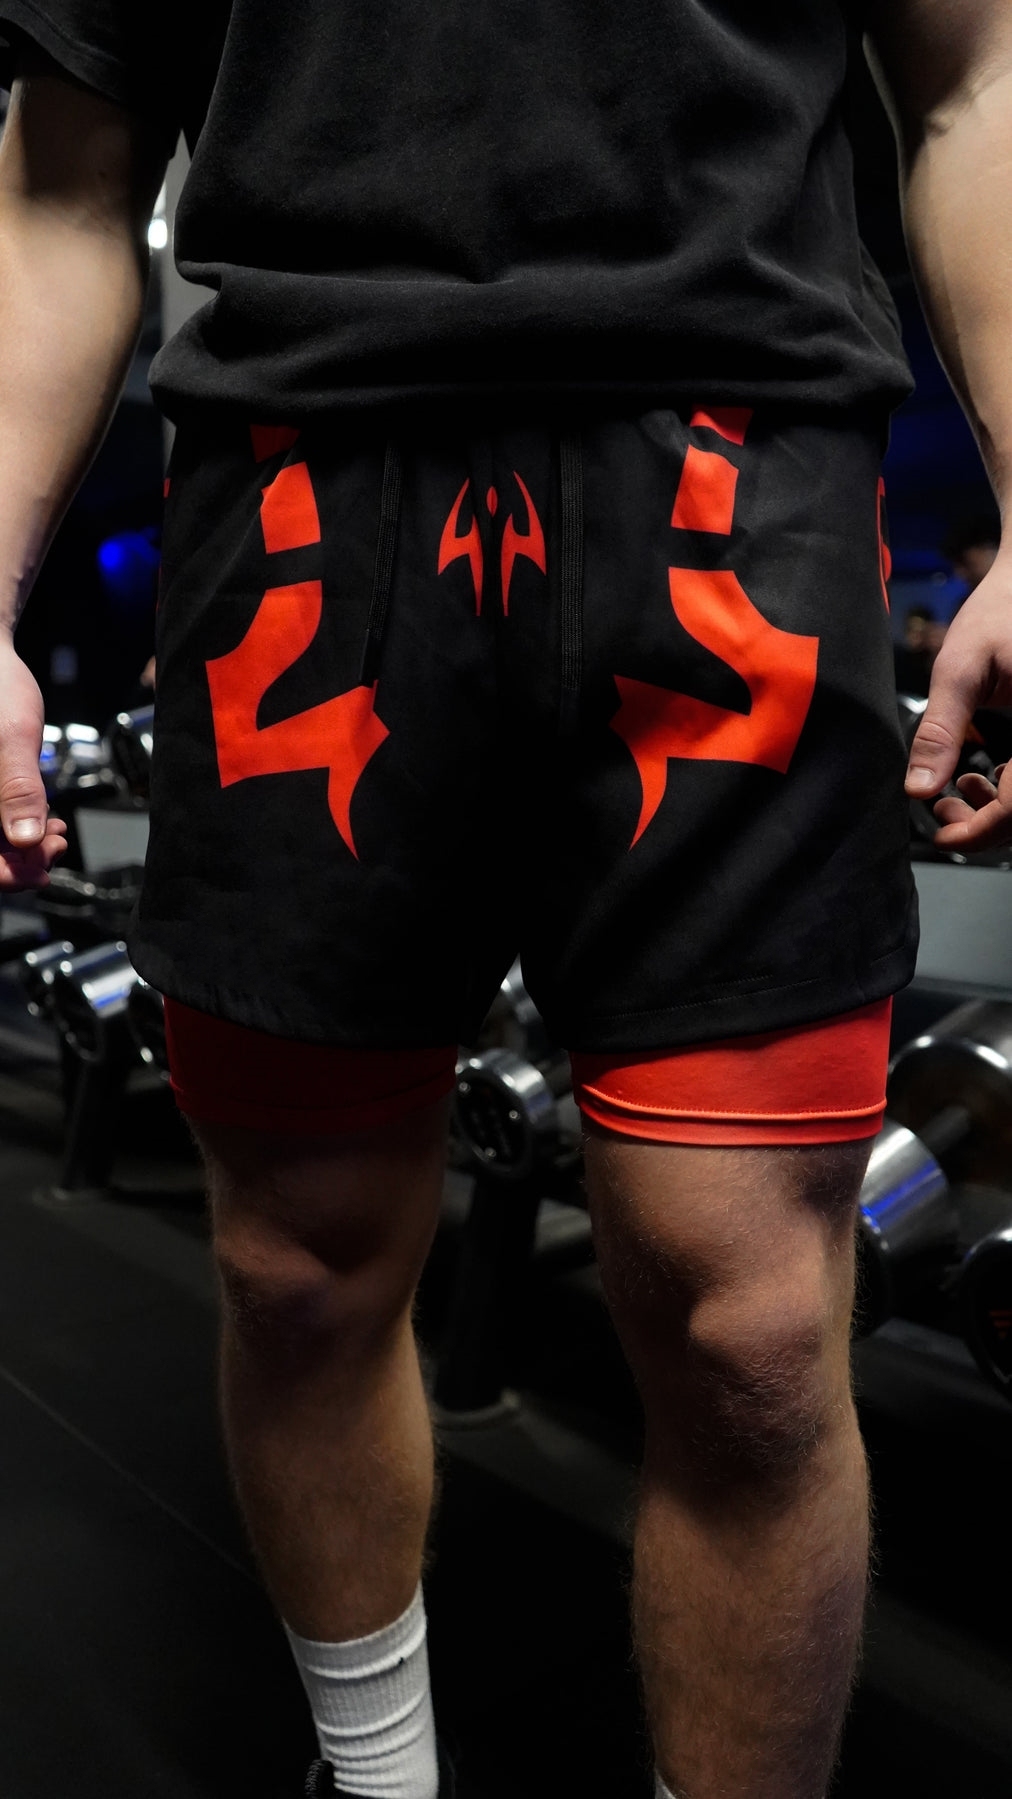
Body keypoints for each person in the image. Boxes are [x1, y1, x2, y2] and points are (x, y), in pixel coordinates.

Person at [0, 5, 1011, 1798]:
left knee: (759, 1331)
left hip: (731, 471)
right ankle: (377, 1777)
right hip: (305, 489)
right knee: (296, 1273)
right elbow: (67, 184)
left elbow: (974, 76)